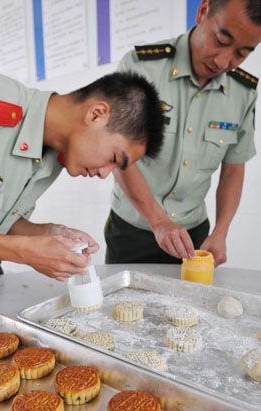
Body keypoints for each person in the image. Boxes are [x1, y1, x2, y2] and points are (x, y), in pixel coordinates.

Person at [0, 70, 164, 288]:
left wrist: (44, 234)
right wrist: (22, 251)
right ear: (96, 114)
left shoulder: (57, 154)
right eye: (113, 158)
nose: (105, 173)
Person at [105, 0, 261, 267]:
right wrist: (159, 221)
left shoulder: (243, 92)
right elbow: (119, 154)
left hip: (195, 234)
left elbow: (234, 167)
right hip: (132, 231)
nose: (224, 61)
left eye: (242, 54)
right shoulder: (141, 67)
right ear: (202, 12)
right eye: (221, 41)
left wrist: (221, 232)